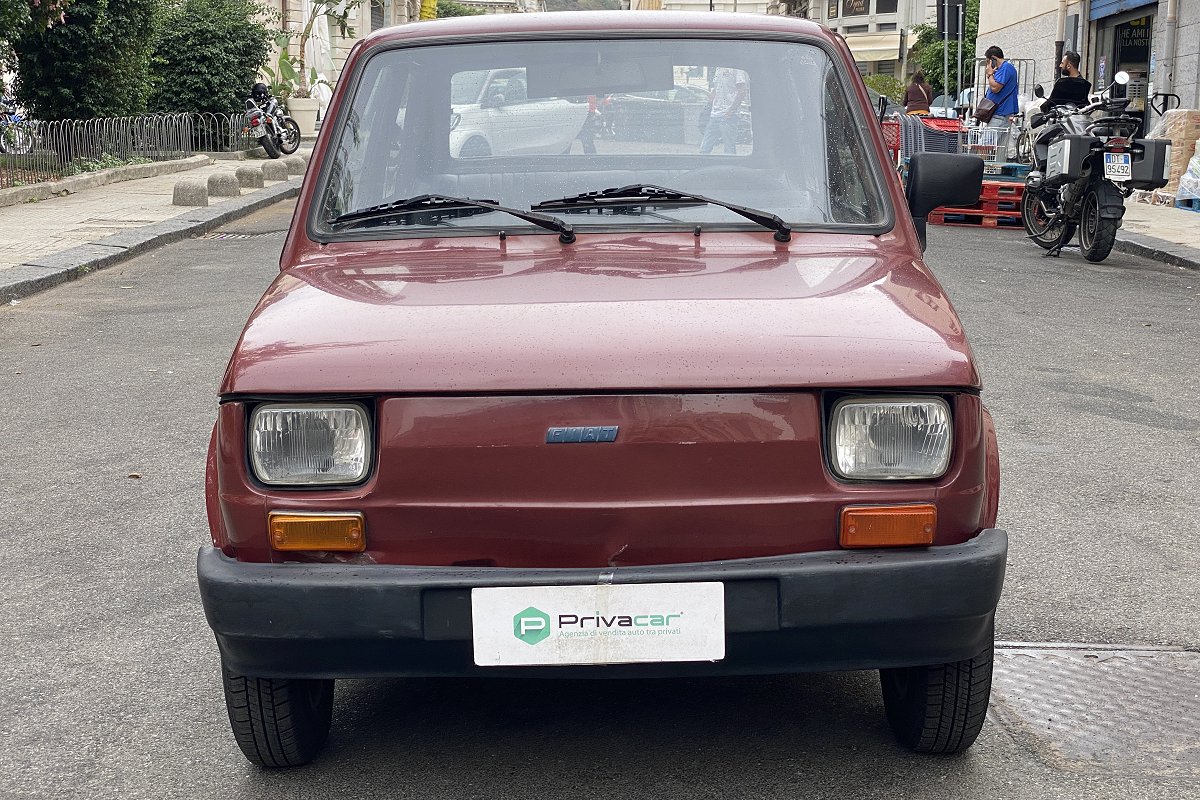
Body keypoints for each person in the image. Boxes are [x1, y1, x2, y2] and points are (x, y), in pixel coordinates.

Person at [699, 66, 747, 155]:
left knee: (729, 149)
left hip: (729, 115)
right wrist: (708, 107)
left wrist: (731, 111)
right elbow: (715, 90)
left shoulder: (737, 68)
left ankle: (730, 167)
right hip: (714, 114)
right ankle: (701, 165)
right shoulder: (718, 69)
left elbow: (742, 91)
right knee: (705, 148)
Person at [983, 45, 1019, 129]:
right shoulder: (1005, 68)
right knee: (1000, 142)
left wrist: (990, 75)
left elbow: (995, 88)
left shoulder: (1005, 68)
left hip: (999, 114)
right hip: (1002, 114)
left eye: (988, 61)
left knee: (987, 141)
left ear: (993, 59)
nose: (988, 65)